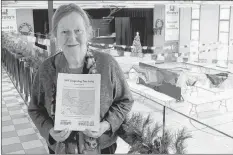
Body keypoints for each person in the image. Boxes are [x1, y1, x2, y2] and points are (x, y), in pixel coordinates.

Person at [28, 3, 134, 154]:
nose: (72, 38)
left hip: (101, 148)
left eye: (78, 30)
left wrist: (106, 124)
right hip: (61, 148)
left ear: (88, 32)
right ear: (55, 36)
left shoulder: (107, 64)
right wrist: (50, 130)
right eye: (64, 31)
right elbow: (35, 109)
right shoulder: (47, 69)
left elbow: (125, 101)